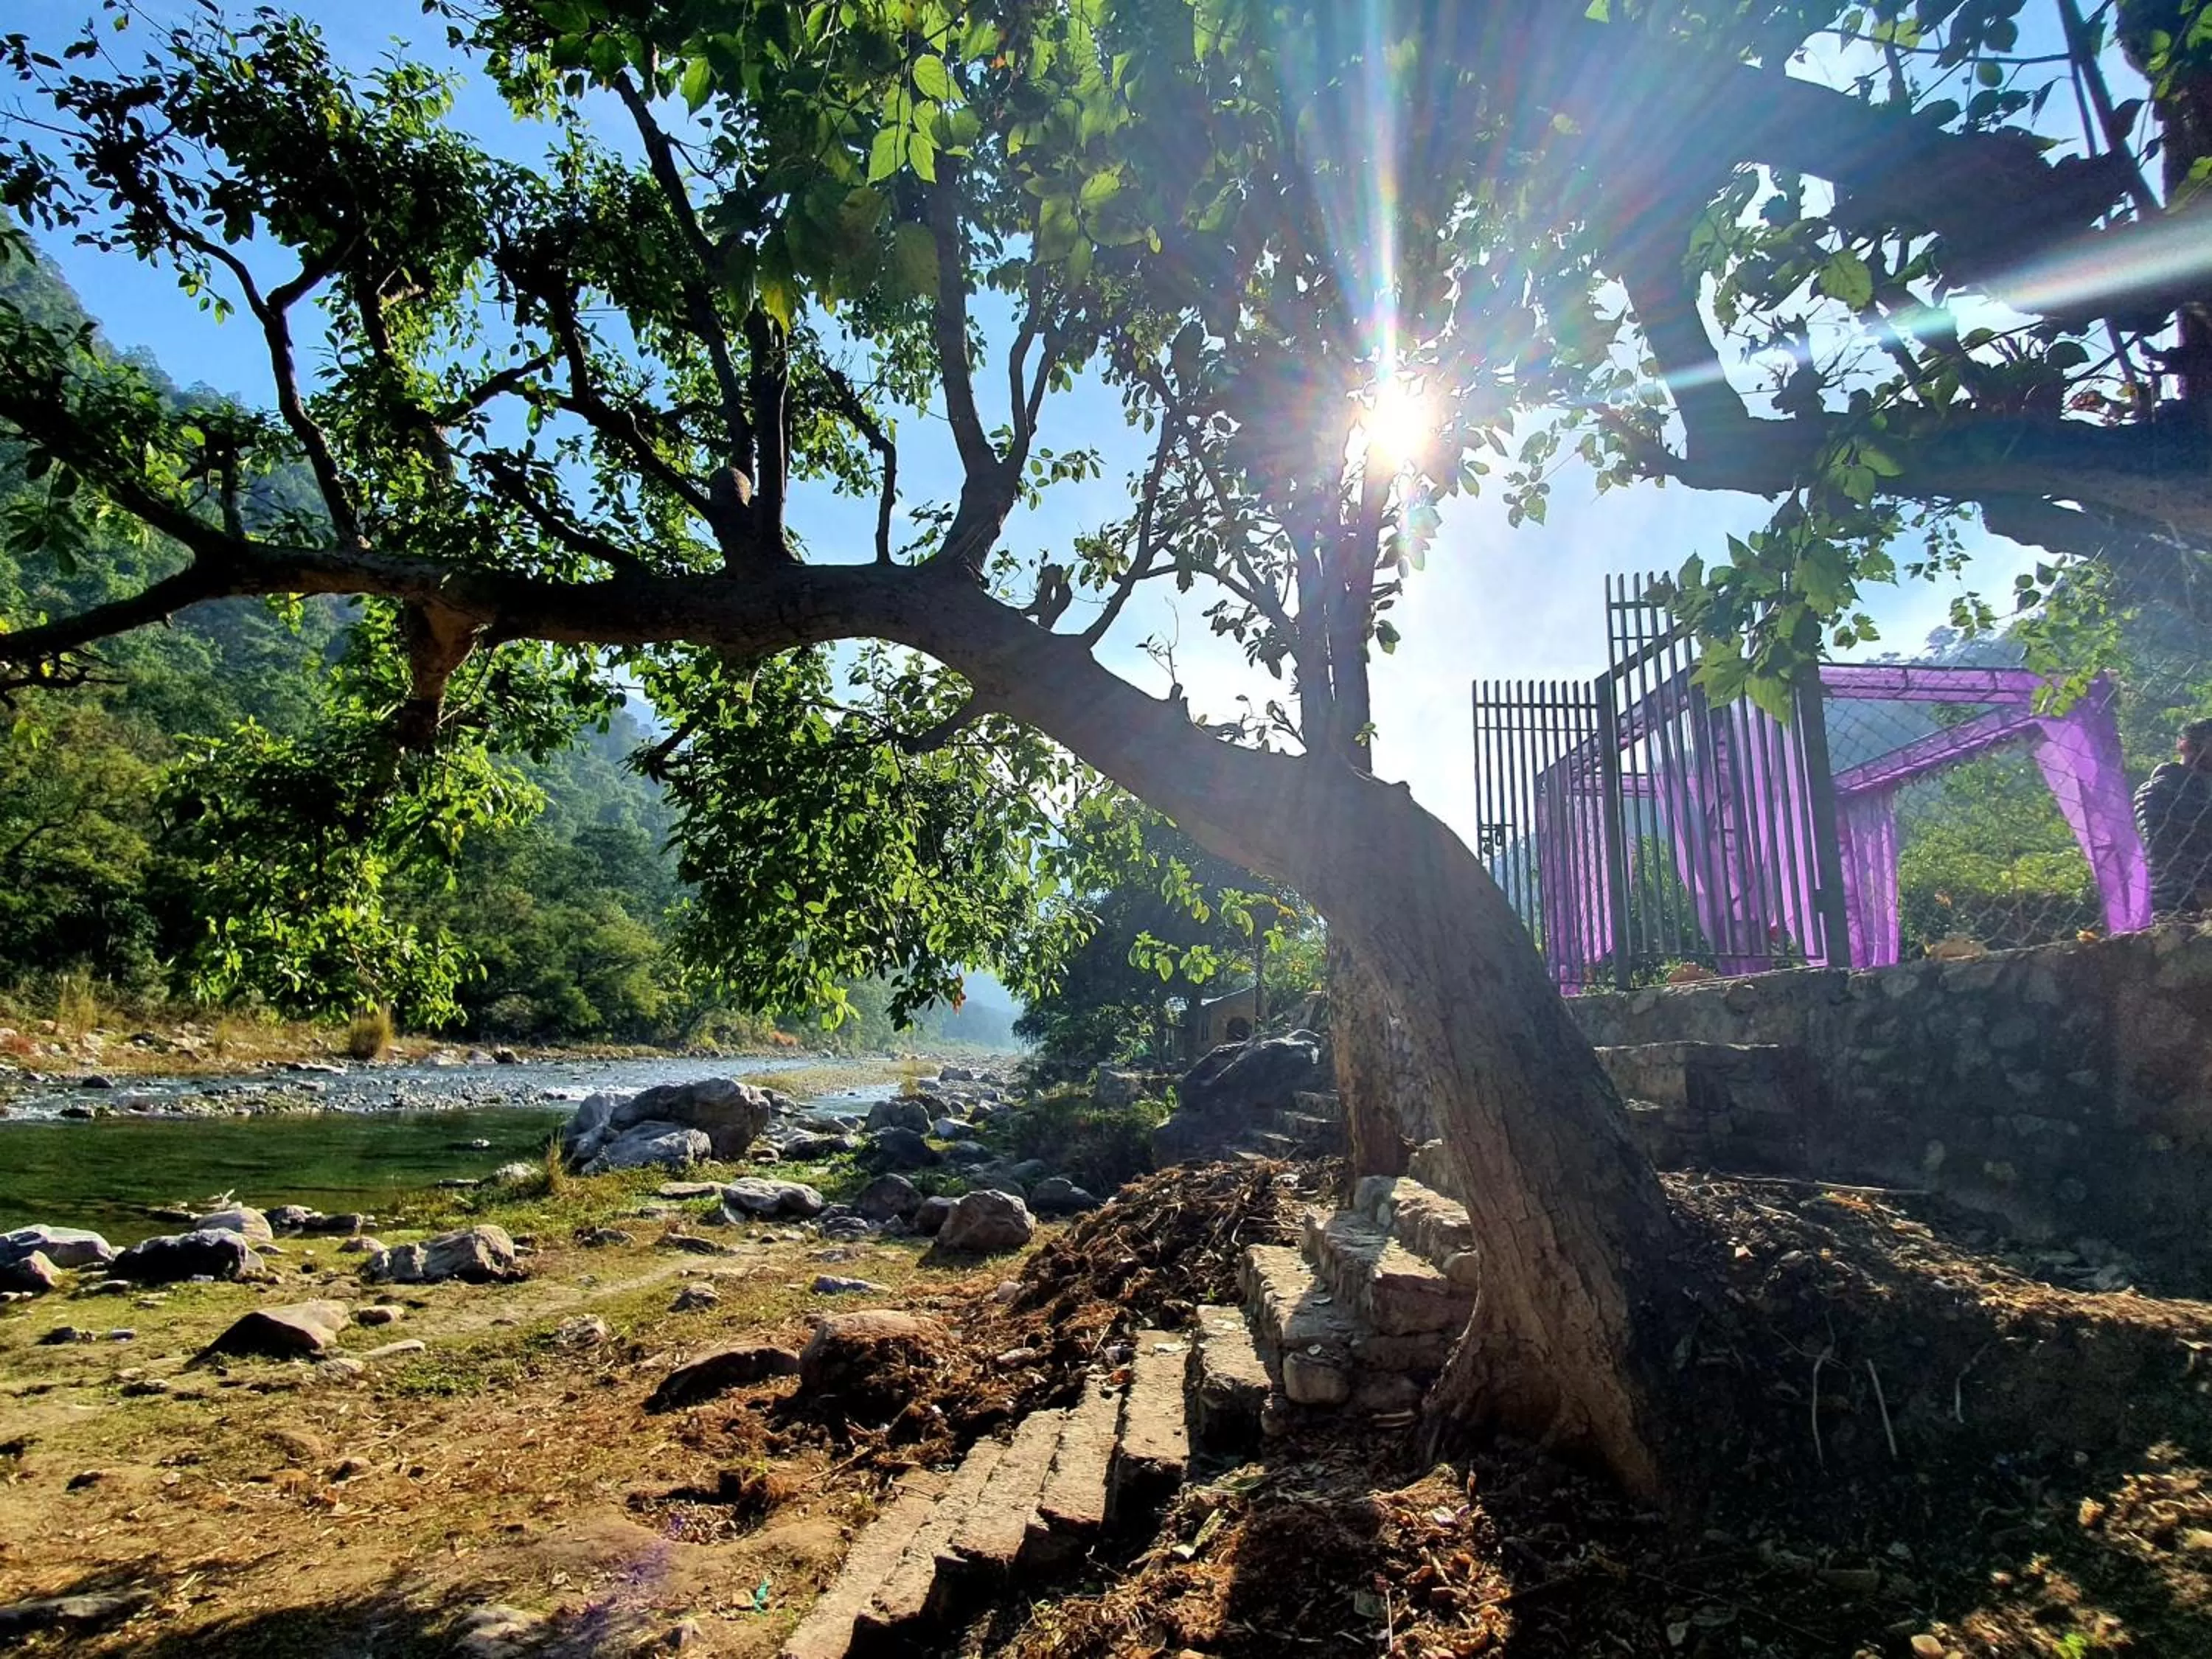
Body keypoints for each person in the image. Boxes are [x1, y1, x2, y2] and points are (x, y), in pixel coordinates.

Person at [2135, 717, 2212, 919]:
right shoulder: (2160, 790)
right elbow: (2161, 854)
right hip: (2179, 900)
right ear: (2185, 746)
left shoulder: (2204, 789)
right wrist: (2198, 892)